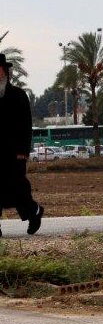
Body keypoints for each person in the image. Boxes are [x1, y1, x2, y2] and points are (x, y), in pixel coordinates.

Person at [0, 54, 43, 237]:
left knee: (17, 187)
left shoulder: (18, 95)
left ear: (5, 72)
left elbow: (26, 125)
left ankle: (34, 212)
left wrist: (23, 151)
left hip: (13, 153)